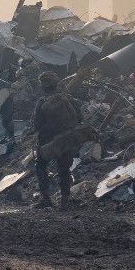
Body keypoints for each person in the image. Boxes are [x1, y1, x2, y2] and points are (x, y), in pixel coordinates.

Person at [32, 71, 81, 209]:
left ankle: (46, 198)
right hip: (65, 139)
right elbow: (80, 117)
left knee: (40, 166)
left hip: (47, 141)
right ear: (56, 84)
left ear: (43, 86)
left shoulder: (41, 102)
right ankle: (64, 201)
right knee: (64, 169)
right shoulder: (68, 98)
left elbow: (37, 125)